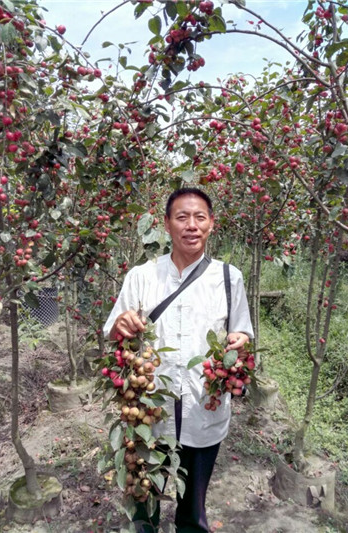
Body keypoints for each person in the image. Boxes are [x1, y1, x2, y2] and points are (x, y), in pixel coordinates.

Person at [103, 187, 254, 533]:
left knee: (193, 510)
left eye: (200, 217)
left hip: (205, 413)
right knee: (144, 501)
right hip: (147, 417)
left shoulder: (230, 279)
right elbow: (112, 329)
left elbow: (243, 334)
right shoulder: (142, 276)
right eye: (182, 217)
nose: (191, 225)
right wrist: (120, 325)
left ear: (212, 224)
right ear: (167, 225)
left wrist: (239, 342)